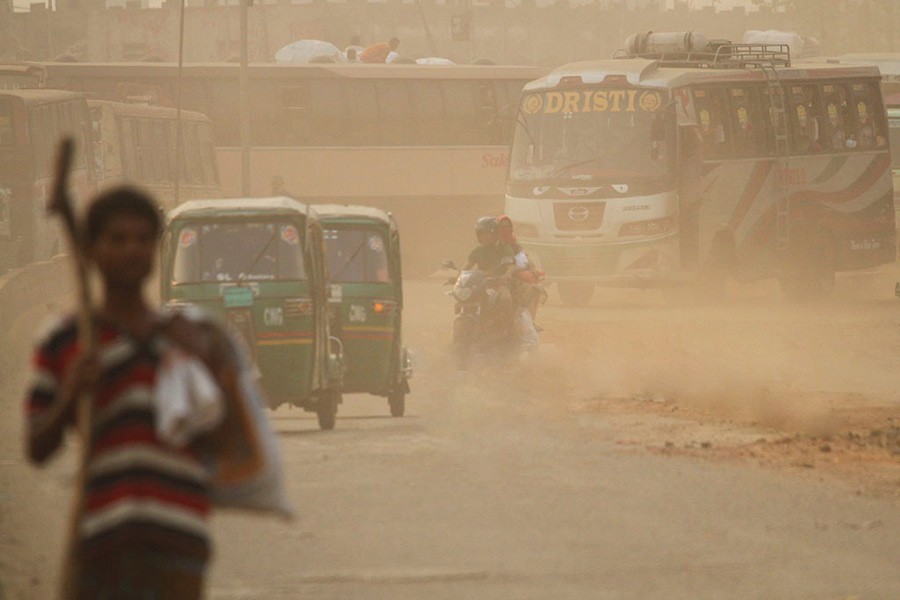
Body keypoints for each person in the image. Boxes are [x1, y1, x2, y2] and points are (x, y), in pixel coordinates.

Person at [25, 186, 235, 599]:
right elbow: (36, 446)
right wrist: (72, 394)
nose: (131, 250)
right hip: (101, 542)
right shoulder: (64, 340)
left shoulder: (190, 338)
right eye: (117, 239)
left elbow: (226, 444)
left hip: (180, 546)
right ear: (91, 250)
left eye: (142, 239)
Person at [496, 215, 544, 322]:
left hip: (515, 280)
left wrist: (532, 270)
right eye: (502, 226)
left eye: (508, 226)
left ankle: (530, 321)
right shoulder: (492, 245)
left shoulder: (514, 245)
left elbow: (525, 260)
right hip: (498, 280)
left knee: (534, 290)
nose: (506, 229)